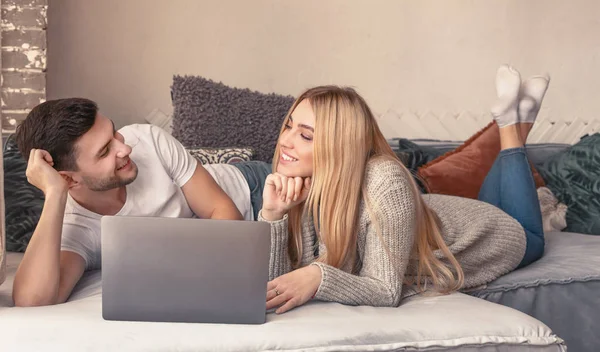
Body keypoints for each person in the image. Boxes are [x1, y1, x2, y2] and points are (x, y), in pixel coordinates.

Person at [259, 65, 550, 314]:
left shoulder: (385, 180)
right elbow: (276, 288)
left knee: (531, 237)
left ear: (340, 147)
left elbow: (385, 290)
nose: (286, 141)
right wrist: (273, 216)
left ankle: (511, 128)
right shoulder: (303, 183)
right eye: (288, 126)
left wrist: (318, 276)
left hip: (493, 234)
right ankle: (520, 116)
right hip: (450, 212)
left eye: (306, 135)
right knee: (496, 204)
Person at [11, 98, 270, 307]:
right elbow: (32, 300)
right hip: (256, 229)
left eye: (114, 133)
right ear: (68, 179)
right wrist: (55, 194)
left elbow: (223, 213)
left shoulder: (147, 138)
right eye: (104, 152)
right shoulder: (78, 227)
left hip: (254, 188)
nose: (124, 149)